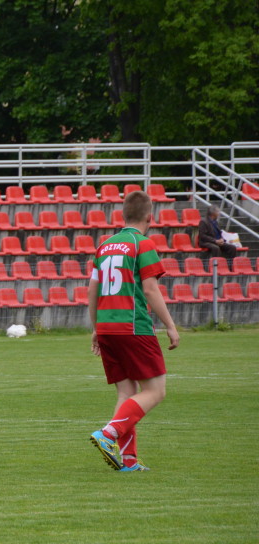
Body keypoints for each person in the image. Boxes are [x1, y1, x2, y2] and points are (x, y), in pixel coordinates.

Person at [88, 190, 180, 473]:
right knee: (156, 390)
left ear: (122, 215)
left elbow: (92, 290)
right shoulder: (143, 244)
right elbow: (150, 289)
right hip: (133, 326)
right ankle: (108, 433)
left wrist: (96, 328)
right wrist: (170, 325)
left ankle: (128, 460)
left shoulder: (104, 246)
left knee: (126, 392)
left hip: (107, 326)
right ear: (150, 217)